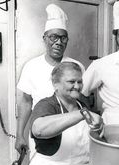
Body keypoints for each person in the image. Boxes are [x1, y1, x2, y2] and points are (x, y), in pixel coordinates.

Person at [15, 4, 85, 155]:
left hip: (72, 133)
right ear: (44, 39)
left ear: (67, 40)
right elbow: (26, 103)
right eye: (53, 37)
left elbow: (80, 99)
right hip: (42, 134)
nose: (58, 42)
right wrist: (19, 134)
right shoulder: (31, 67)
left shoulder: (76, 66)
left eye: (62, 37)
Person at [23, 62, 102, 165]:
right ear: (56, 84)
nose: (77, 86)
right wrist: (81, 114)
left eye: (80, 81)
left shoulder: (83, 104)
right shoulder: (47, 105)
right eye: (71, 82)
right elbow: (38, 130)